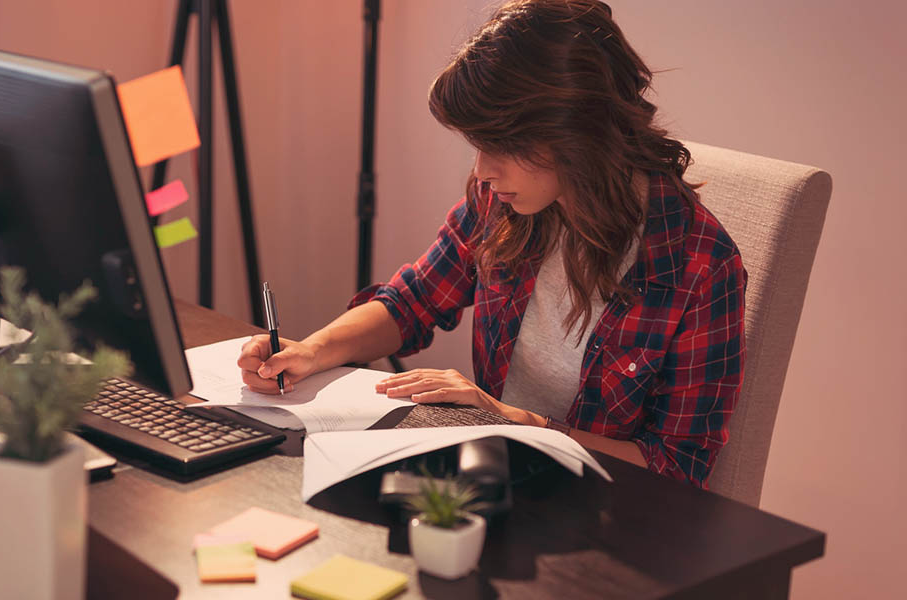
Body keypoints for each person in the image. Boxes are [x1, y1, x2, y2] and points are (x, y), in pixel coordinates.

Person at [237, 0, 745, 488]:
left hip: (600, 515)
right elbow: (413, 301)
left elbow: (677, 469)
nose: (482, 170)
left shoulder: (700, 266)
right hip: (494, 477)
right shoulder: (506, 203)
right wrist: (310, 351)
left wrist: (510, 419)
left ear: (577, 132)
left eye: (501, 146)